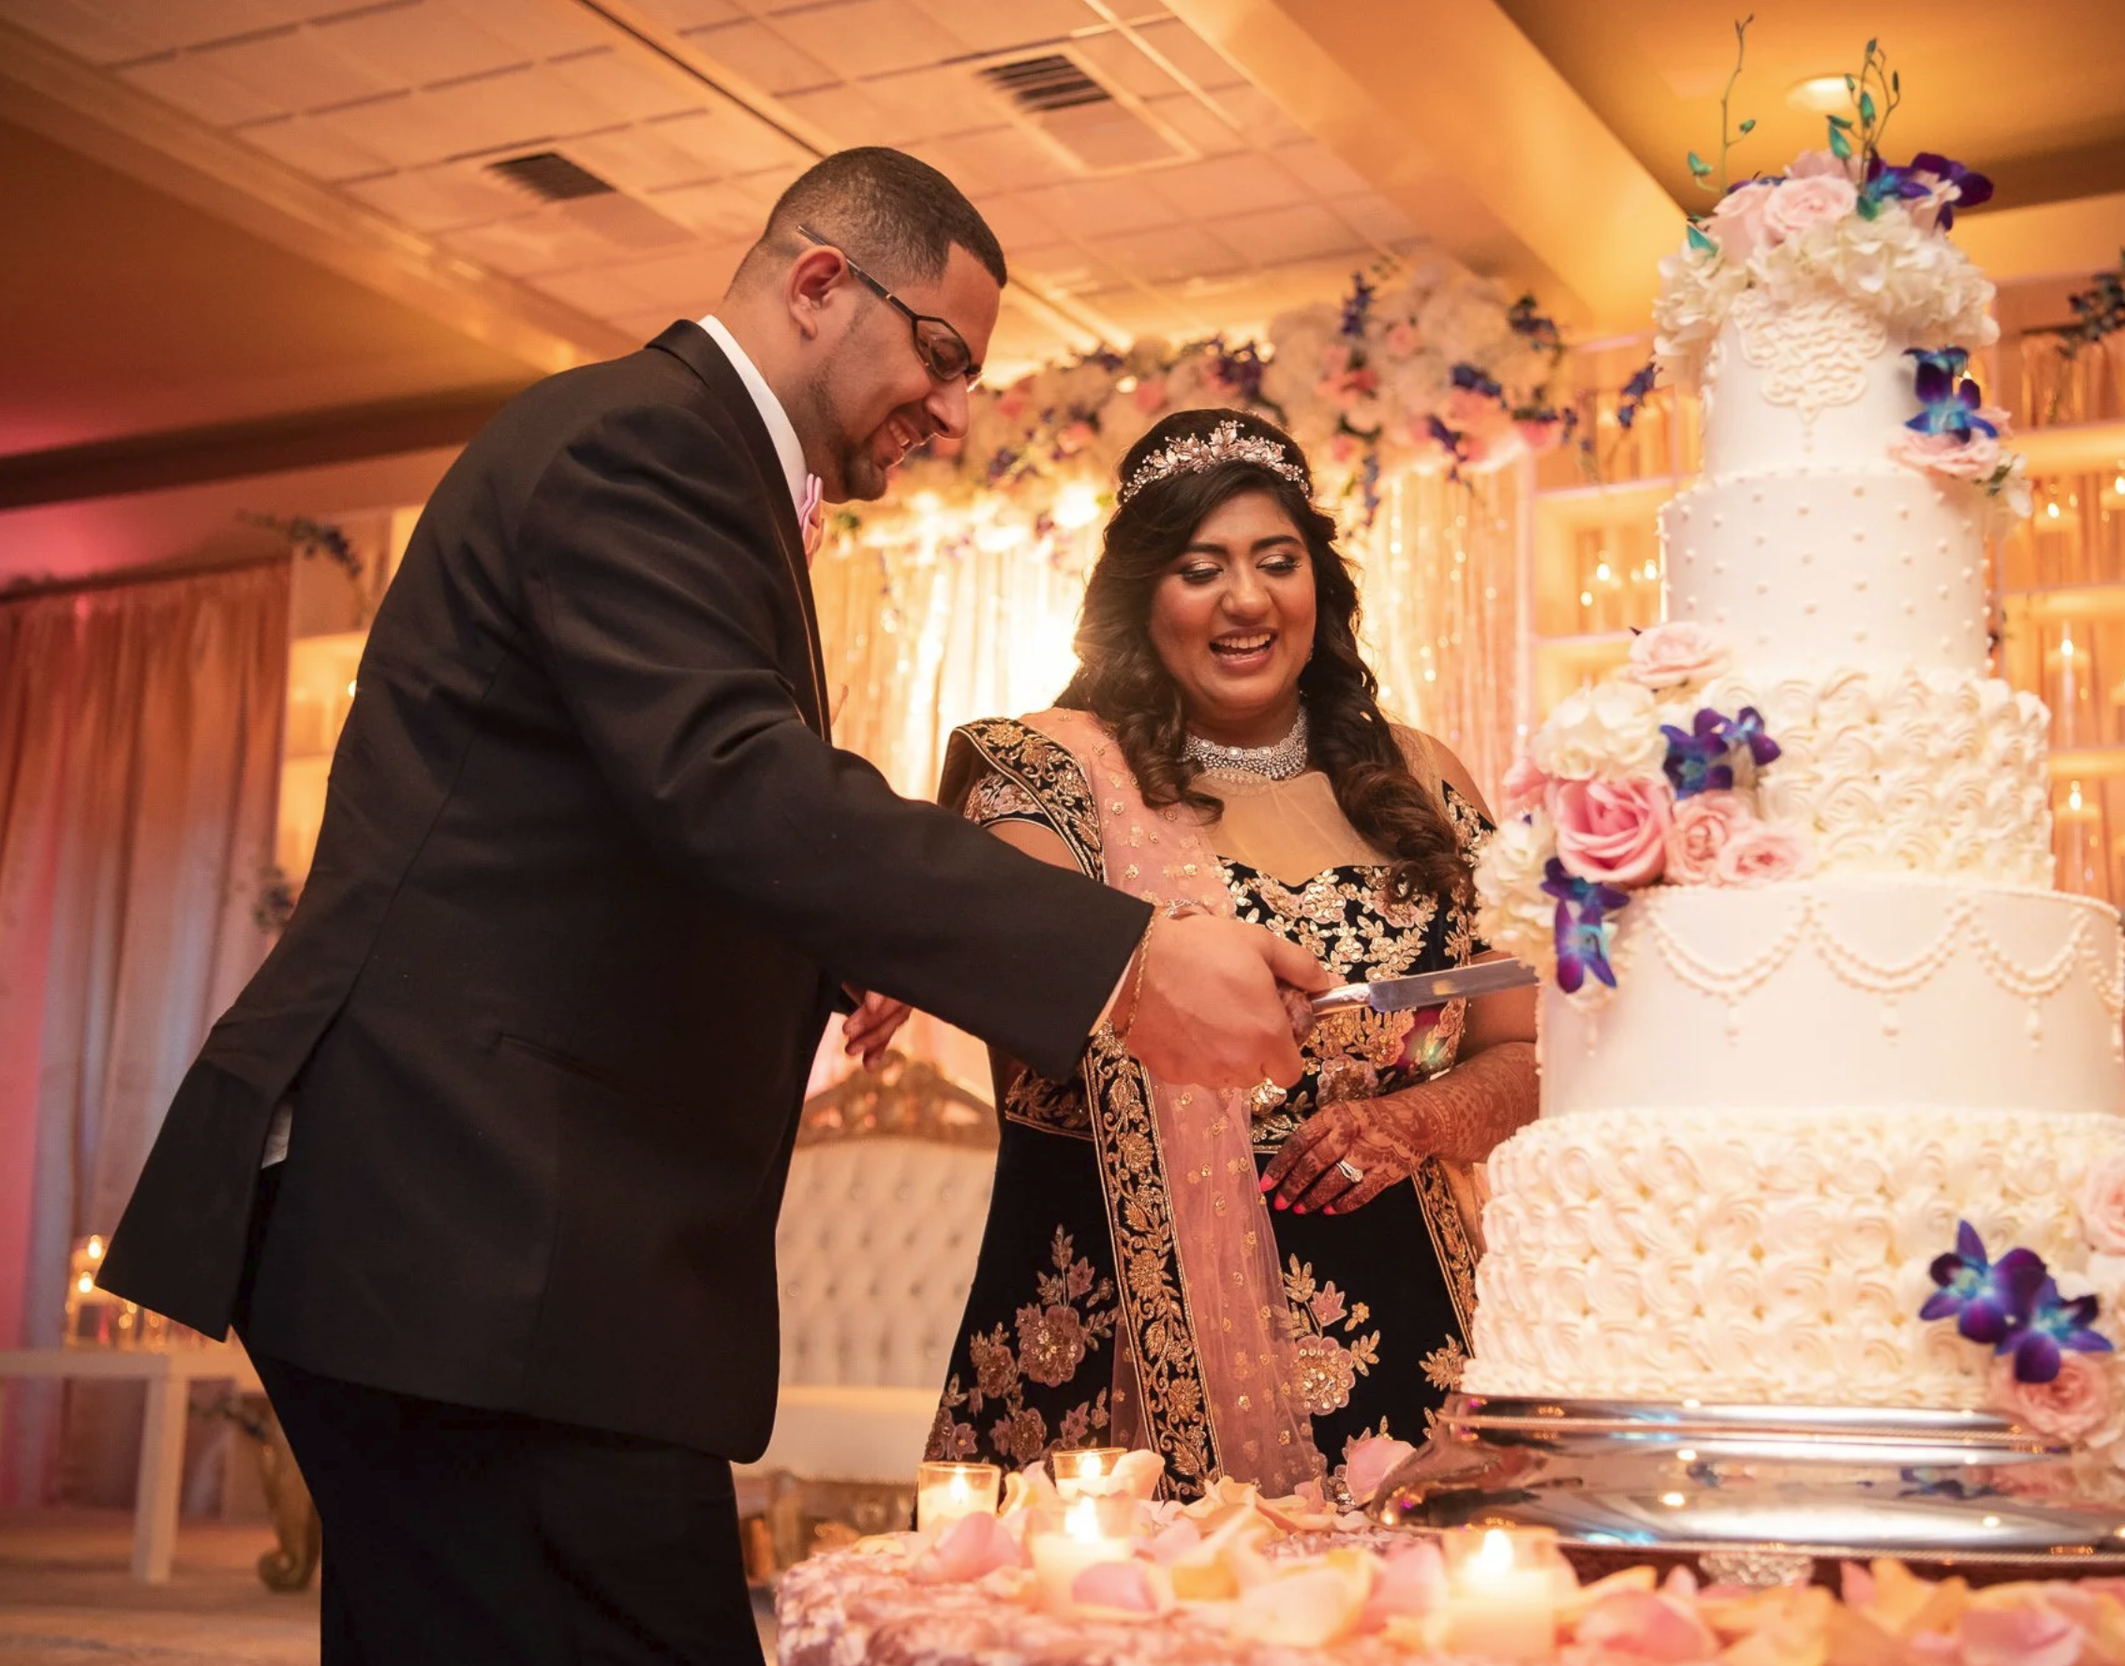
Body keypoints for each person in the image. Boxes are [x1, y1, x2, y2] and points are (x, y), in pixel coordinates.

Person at [97, 150, 1327, 1662]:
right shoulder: (640, 443)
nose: (952, 410)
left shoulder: (684, 461)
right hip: (476, 1230)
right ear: (821, 282)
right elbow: (729, 776)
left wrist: (821, 943)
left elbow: (626, 806)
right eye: (942, 355)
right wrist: (1125, 955)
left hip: (477, 1242)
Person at [926, 410, 1540, 1499]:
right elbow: (1010, 975)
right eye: (1198, 567)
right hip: (1124, 1356)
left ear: (1319, 586)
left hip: (1418, 1338)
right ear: (1139, 597)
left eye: (1276, 561)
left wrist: (1412, 1120)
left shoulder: (1424, 782)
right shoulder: (1043, 777)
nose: (1246, 599)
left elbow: (1525, 1047)